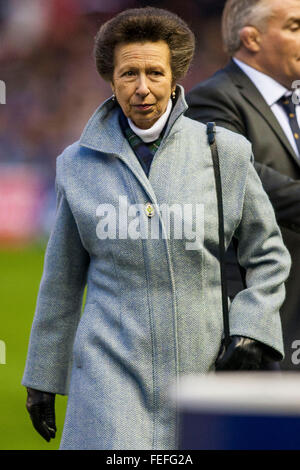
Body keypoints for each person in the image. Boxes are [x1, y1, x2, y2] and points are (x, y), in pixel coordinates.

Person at [22, 7, 291, 450]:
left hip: (202, 372)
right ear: (111, 79)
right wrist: (43, 376)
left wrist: (252, 327)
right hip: (106, 375)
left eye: (155, 72)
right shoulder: (76, 165)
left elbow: (268, 255)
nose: (142, 88)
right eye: (129, 74)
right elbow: (62, 280)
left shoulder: (224, 152)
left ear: (175, 77)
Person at [186, 0, 300, 370]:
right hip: (261, 316)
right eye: (295, 27)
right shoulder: (213, 99)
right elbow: (248, 184)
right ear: (252, 38)